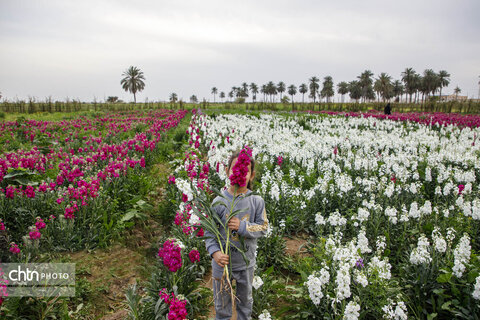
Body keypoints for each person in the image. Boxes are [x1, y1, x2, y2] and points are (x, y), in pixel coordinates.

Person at [205, 149, 269, 320]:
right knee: (222, 305)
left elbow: (263, 227)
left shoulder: (256, 200)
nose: (239, 173)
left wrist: (242, 227)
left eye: (245, 170)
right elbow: (209, 233)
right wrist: (215, 253)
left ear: (251, 175)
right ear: (227, 171)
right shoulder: (219, 201)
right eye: (235, 169)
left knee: (245, 303)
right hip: (221, 265)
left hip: (245, 265)